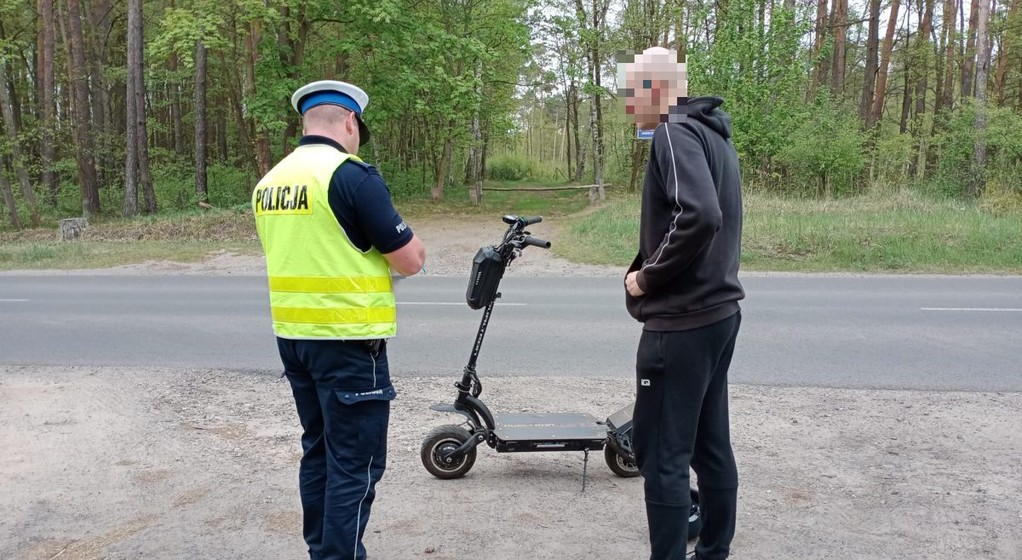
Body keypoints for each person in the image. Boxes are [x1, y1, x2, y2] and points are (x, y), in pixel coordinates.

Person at [252, 79, 425, 560]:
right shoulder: (350, 176)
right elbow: (410, 260)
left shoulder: (270, 183)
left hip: (294, 339)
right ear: (350, 121)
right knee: (355, 464)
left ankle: (321, 551)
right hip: (348, 342)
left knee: (320, 453)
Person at [619, 47, 745, 560]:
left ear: (656, 89)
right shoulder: (714, 135)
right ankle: (713, 551)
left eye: (631, 94)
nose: (629, 106)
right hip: (719, 313)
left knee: (662, 454)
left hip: (682, 320)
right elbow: (702, 216)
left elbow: (700, 216)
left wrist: (647, 277)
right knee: (709, 445)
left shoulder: (673, 131)